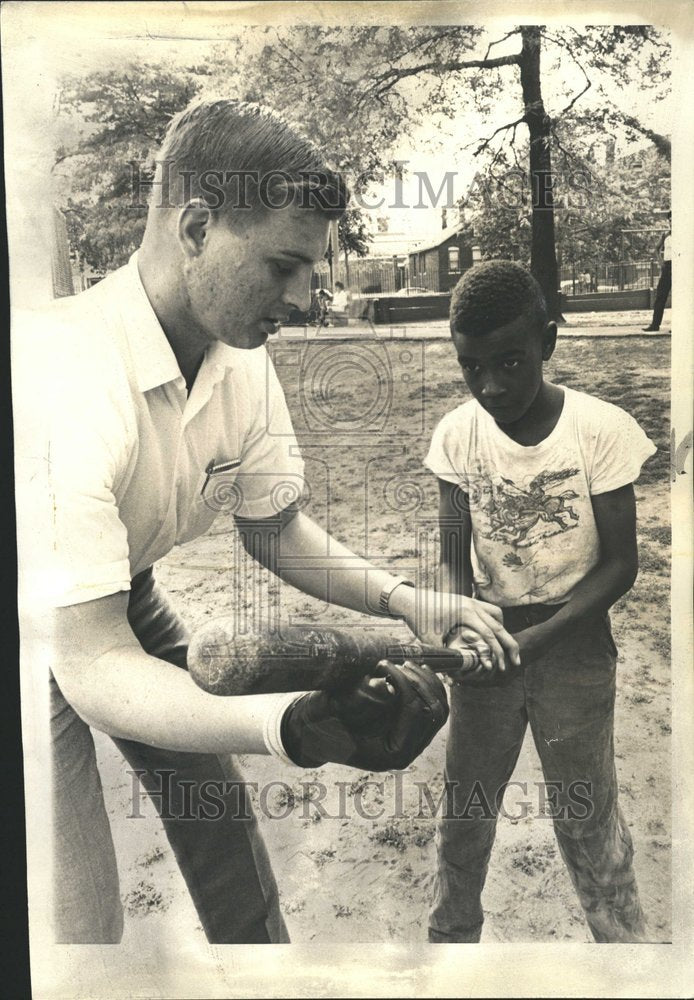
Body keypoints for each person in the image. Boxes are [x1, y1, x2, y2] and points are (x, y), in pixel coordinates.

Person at [14, 100, 519, 945]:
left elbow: (274, 528)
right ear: (199, 226)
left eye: (310, 268)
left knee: (223, 839)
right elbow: (93, 660)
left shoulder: (239, 357)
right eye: (285, 266)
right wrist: (285, 723)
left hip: (119, 589)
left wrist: (407, 604)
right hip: (37, 626)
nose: (305, 298)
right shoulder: (68, 381)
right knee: (74, 924)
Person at [424, 260, 656, 943]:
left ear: (548, 343)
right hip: (488, 644)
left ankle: (625, 955)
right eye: (471, 367)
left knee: (586, 814)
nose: (491, 385)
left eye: (512, 362)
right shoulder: (456, 436)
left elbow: (620, 564)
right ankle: (450, 943)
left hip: (575, 642)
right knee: (466, 809)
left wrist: (540, 639)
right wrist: (460, 628)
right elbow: (451, 557)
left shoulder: (599, 430)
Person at [643, 213, 671, 332]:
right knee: (660, 296)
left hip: (681, 266)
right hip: (667, 266)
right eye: (670, 220)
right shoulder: (666, 235)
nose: (672, 222)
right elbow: (656, 248)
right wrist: (660, 261)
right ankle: (655, 325)